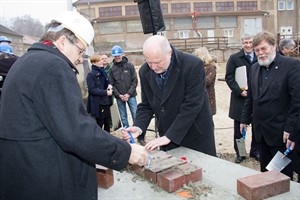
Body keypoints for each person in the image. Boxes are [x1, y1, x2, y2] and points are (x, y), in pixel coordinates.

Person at [0, 11, 148, 200]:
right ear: (62, 42)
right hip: (46, 178)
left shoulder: (27, 62)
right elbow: (75, 131)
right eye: (80, 51)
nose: (80, 59)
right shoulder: (52, 66)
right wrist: (125, 151)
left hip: (25, 175)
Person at [121, 35, 216, 156]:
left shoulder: (192, 65)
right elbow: (147, 104)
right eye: (149, 62)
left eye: (157, 62)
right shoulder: (145, 71)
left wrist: (170, 136)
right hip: (167, 137)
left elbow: (192, 105)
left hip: (195, 134)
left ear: (169, 53)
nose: (153, 67)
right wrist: (139, 127)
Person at [240, 31, 300, 180]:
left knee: (282, 178)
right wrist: (244, 119)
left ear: (274, 46)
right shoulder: (254, 68)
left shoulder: (291, 66)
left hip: (282, 134)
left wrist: (291, 129)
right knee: (266, 176)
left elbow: (296, 101)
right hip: (261, 132)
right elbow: (251, 98)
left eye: (264, 48)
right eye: (257, 50)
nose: (260, 53)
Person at [225, 33, 260, 163]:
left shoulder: (259, 57)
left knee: (257, 127)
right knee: (239, 128)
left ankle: (255, 151)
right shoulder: (234, 58)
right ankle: (240, 152)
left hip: (256, 99)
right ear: (242, 44)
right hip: (240, 99)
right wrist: (239, 91)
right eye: (246, 42)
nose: (248, 45)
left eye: (251, 42)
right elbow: (229, 77)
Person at [108, 45, 138, 129]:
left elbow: (134, 81)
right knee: (123, 117)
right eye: (115, 56)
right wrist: (119, 95)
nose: (117, 57)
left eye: (118, 55)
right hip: (119, 97)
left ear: (122, 54)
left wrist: (128, 94)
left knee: (135, 114)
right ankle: (127, 134)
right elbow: (111, 84)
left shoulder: (129, 66)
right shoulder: (112, 69)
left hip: (131, 95)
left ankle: (138, 134)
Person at [87, 54, 113, 133]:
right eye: (99, 61)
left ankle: (108, 139)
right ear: (94, 63)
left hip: (106, 101)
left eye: (101, 60)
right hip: (98, 103)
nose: (102, 62)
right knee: (100, 123)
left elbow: (106, 83)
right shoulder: (91, 74)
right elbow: (91, 90)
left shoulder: (103, 72)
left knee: (107, 121)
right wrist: (105, 92)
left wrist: (109, 85)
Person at [193, 47, 217, 115]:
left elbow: (207, 81)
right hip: (198, 98)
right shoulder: (198, 67)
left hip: (207, 98)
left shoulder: (211, 68)